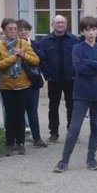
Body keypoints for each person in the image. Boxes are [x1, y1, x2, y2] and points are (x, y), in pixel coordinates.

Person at [53, 16, 97, 172]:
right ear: (82, 31)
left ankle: (91, 158)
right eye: (88, 30)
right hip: (82, 92)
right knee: (74, 127)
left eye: (93, 29)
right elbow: (79, 68)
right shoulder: (77, 48)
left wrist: (90, 62)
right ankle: (64, 160)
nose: (91, 33)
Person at [0, 18, 40, 156]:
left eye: (16, 29)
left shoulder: (23, 44)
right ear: (4, 31)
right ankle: (9, 143)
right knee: (10, 115)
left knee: (20, 114)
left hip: (23, 85)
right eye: (10, 29)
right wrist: (13, 58)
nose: (14, 31)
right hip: (7, 85)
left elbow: (36, 60)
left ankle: (20, 143)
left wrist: (23, 54)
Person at [38, 14, 78, 144]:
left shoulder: (73, 39)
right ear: (52, 25)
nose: (60, 25)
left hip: (70, 78)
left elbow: (78, 58)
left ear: (66, 24)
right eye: (57, 22)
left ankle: (72, 133)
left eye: (62, 22)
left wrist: (75, 73)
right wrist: (47, 75)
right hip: (54, 79)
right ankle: (53, 133)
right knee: (53, 106)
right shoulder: (45, 41)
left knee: (71, 106)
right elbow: (41, 60)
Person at [17, 19, 47, 147]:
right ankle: (20, 140)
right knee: (19, 111)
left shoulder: (35, 44)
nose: (23, 32)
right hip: (18, 81)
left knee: (33, 111)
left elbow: (42, 58)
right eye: (20, 29)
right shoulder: (14, 45)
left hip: (33, 81)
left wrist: (30, 49)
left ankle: (37, 138)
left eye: (26, 29)